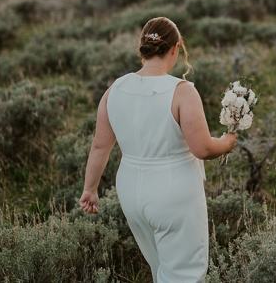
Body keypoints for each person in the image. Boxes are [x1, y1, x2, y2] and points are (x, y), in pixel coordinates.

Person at [79, 16, 237, 282]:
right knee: (185, 274)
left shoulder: (115, 89)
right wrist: (228, 141)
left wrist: (90, 189)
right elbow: (202, 148)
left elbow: (99, 145)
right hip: (173, 192)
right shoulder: (181, 91)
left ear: (143, 47)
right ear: (175, 49)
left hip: (130, 191)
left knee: (160, 268)